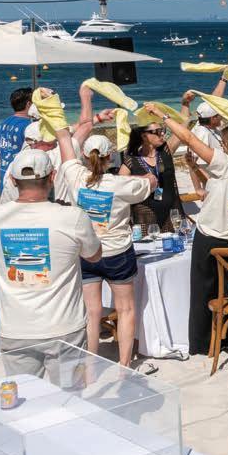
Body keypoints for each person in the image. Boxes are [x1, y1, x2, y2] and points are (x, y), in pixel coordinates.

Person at [0, 148, 103, 376]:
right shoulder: (73, 217)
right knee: (68, 396)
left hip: (15, 328)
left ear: (12, 180)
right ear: (52, 176)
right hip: (64, 327)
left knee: (26, 396)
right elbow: (94, 255)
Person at [150, 106, 228, 357]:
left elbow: (189, 138)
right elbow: (217, 187)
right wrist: (194, 168)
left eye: (224, 141)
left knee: (203, 290)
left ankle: (202, 345)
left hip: (212, 235)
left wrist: (163, 116)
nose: (221, 145)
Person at [57, 133, 156, 372]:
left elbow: (65, 144)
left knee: (92, 313)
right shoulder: (120, 184)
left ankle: (90, 366)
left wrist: (60, 127)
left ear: (85, 156)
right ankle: (124, 367)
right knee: (126, 309)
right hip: (117, 253)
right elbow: (151, 182)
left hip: (86, 252)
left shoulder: (76, 177)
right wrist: (145, 176)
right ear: (110, 157)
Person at [119, 121, 181, 231]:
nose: (162, 133)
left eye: (163, 130)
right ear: (144, 136)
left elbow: (181, 128)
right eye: (158, 131)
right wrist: (140, 179)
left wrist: (163, 115)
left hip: (172, 215)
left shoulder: (166, 151)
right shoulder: (132, 160)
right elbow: (119, 185)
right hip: (146, 220)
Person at [0, 87, 34, 189]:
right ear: (29, 104)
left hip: (4, 177)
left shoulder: (3, 123)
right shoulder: (28, 126)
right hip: (20, 180)